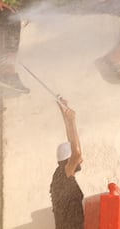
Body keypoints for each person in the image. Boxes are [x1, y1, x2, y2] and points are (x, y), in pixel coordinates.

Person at [50, 98, 85, 229]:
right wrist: (71, 122)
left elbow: (74, 150)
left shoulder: (60, 175)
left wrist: (64, 113)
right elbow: (77, 153)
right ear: (68, 161)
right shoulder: (63, 176)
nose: (81, 161)